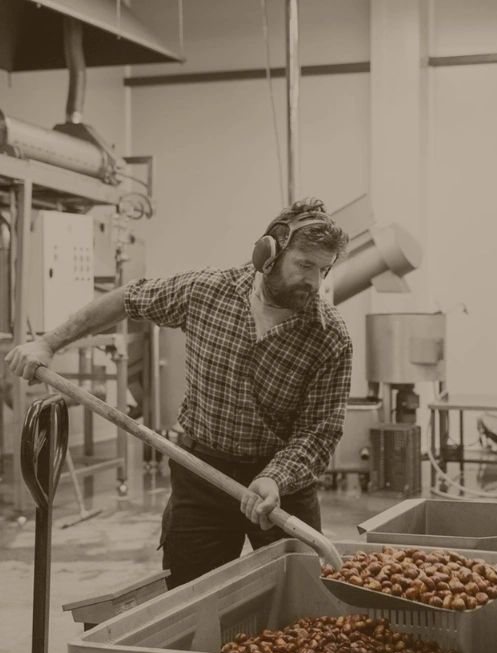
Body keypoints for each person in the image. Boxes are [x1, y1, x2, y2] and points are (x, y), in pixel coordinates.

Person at [5, 198, 353, 588]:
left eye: (323, 269)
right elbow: (127, 299)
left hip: (281, 487)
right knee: (190, 594)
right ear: (268, 253)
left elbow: (319, 431)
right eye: (305, 265)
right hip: (202, 474)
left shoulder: (329, 336)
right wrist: (49, 343)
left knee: (303, 598)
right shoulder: (207, 292)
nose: (314, 282)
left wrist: (275, 478)